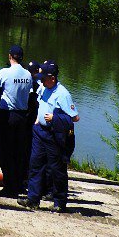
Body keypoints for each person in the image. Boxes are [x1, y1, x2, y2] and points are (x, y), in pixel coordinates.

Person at [19, 60, 79, 213]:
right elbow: (41, 105)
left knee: (56, 169)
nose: (41, 81)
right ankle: (33, 199)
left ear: (52, 78)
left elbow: (74, 118)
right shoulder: (44, 88)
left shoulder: (63, 94)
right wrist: (37, 121)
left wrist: (55, 118)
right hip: (40, 132)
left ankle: (59, 202)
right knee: (35, 165)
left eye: (44, 78)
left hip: (54, 135)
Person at [0, 44, 33, 197]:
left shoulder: (4, 72)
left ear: (10, 56)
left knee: (5, 152)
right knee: (19, 151)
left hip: (7, 115)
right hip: (22, 117)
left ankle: (9, 186)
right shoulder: (28, 75)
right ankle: (18, 184)